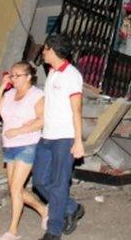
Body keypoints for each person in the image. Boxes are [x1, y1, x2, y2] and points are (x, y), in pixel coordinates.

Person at [0, 61, 48, 240]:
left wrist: (20, 131)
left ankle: (13, 231)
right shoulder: (10, 94)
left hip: (27, 144)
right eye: (11, 75)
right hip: (9, 145)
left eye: (17, 75)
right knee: (15, 189)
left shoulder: (37, 95)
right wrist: (1, 87)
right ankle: (43, 209)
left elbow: (42, 120)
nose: (13, 78)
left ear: (29, 77)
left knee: (15, 188)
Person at [34, 33, 85, 239]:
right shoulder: (52, 72)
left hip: (65, 138)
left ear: (52, 50)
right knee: (39, 182)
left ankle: (54, 231)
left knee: (58, 184)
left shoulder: (71, 75)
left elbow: (77, 110)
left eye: (45, 49)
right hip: (47, 136)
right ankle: (72, 207)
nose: (42, 52)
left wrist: (78, 141)